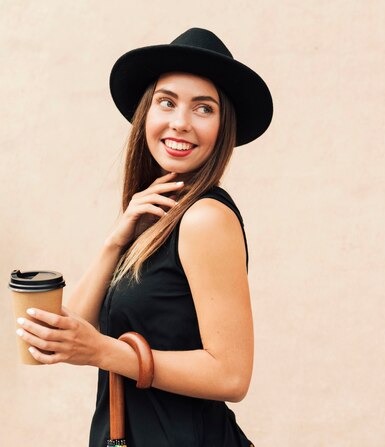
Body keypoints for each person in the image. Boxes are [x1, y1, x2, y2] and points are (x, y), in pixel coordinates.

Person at [14, 27, 272, 446]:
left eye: (203, 109)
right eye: (166, 102)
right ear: (146, 114)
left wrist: (104, 352)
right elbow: (70, 331)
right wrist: (115, 242)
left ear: (223, 126)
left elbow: (232, 375)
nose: (180, 123)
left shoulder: (205, 218)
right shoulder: (154, 217)